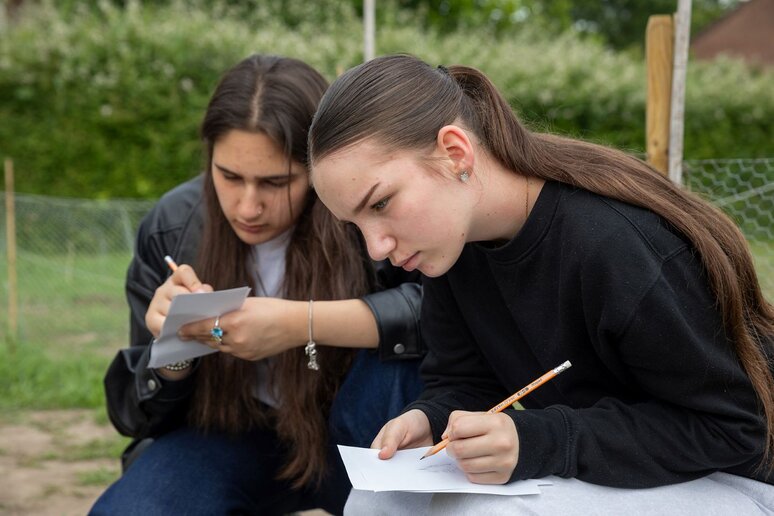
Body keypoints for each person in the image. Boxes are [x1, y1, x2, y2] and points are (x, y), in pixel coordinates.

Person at [307, 54, 774, 514]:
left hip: (738, 480)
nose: (375, 247)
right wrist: (430, 419)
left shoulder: (615, 246)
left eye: (382, 203)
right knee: (375, 501)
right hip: (623, 471)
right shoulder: (451, 249)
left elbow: (730, 429)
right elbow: (466, 381)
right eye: (355, 223)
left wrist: (541, 440)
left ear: (455, 152)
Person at [90, 54, 424, 516]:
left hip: (362, 429)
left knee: (400, 368)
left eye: (275, 182)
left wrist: (300, 323)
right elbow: (139, 417)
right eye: (229, 177)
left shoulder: (361, 211)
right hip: (232, 433)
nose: (248, 206)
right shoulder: (173, 226)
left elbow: (440, 316)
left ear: (316, 166)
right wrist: (175, 349)